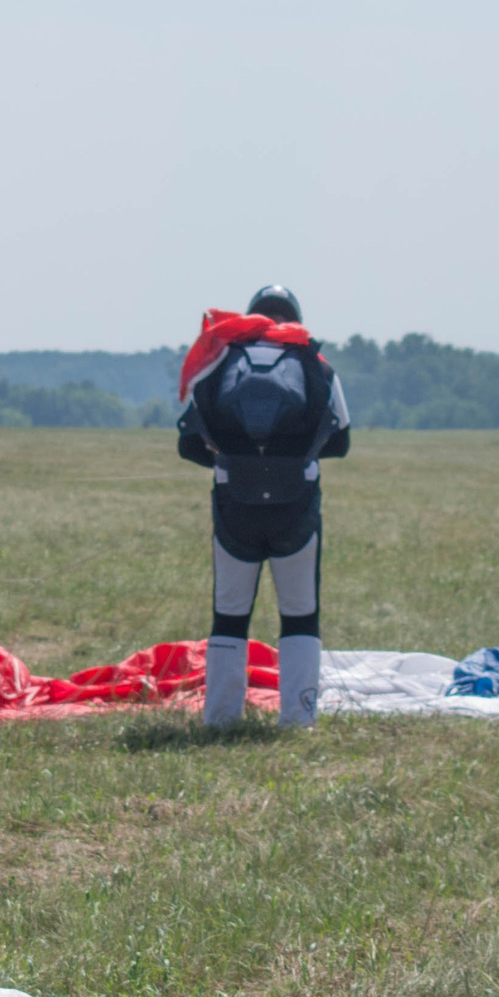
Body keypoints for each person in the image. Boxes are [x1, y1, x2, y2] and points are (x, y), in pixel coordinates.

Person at [174, 285, 350, 729]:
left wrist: (237, 462)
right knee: (300, 612)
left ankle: (220, 720)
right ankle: (298, 719)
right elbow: (341, 442)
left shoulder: (218, 360)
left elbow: (189, 444)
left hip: (234, 504)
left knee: (229, 614)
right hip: (298, 506)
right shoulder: (314, 362)